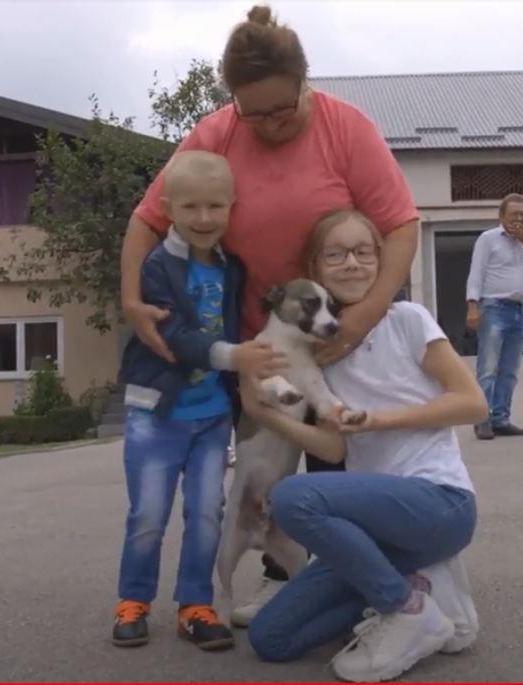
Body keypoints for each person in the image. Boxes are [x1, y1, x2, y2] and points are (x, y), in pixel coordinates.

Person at [118, 3, 419, 625]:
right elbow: (148, 219)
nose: (269, 125)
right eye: (252, 113)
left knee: (346, 459)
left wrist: (362, 318)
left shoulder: (345, 127)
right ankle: (285, 575)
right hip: (260, 338)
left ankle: (364, 580)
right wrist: (131, 301)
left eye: (282, 109)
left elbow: (401, 227)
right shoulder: (218, 132)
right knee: (271, 468)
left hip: (344, 331)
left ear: (306, 81)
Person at [240, 209, 485, 682]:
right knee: (271, 638)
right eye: (336, 254)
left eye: (364, 252)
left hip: (439, 503)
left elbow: (472, 404)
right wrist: (263, 412)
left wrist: (380, 420)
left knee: (295, 497)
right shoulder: (320, 357)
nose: (351, 263)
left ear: (381, 260)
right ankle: (423, 595)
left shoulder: (407, 319)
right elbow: (332, 451)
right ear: (315, 270)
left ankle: (405, 607)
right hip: (374, 535)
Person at [111, 151, 286, 651]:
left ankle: (195, 605)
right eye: (190, 207)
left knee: (208, 512)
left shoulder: (232, 269)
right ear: (166, 208)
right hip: (157, 412)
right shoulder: (157, 267)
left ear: (233, 206)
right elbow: (176, 336)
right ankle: (133, 601)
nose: (204, 219)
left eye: (215, 206)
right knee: (148, 515)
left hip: (211, 416)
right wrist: (236, 357)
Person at [464, 193, 523, 440]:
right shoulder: (488, 239)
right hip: (493, 308)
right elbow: (475, 274)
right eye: (514, 214)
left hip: (517, 310)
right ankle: (482, 419)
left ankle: (501, 418)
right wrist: (472, 307)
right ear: (501, 217)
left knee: (509, 370)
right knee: (488, 368)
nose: (519, 219)